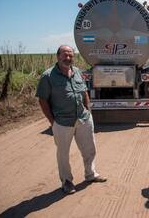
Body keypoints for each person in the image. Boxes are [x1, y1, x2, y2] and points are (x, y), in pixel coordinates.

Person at [36, 45, 107, 195]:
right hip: (62, 122)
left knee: (89, 149)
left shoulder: (77, 72)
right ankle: (67, 182)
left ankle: (91, 174)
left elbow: (85, 92)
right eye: (64, 55)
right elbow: (42, 100)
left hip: (83, 118)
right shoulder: (48, 76)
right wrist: (52, 122)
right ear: (58, 56)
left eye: (70, 55)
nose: (68, 58)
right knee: (63, 154)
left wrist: (88, 110)